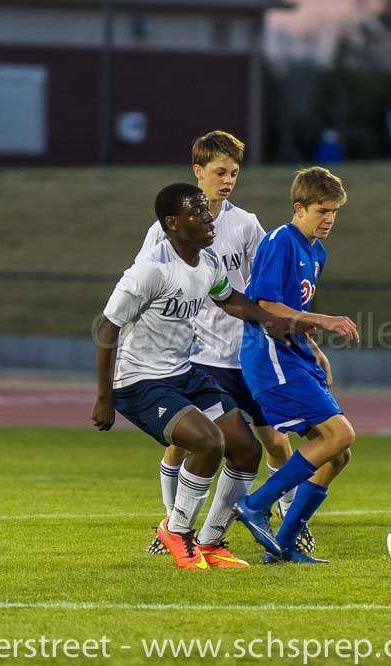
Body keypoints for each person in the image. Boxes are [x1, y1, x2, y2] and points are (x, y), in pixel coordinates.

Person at [91, 183, 306, 571]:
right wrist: (105, 398)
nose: (209, 219)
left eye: (207, 211)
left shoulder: (207, 263)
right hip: (140, 381)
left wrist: (270, 320)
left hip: (184, 373)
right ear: (173, 223)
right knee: (208, 443)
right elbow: (107, 330)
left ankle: (210, 542)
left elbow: (229, 299)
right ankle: (177, 531)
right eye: (198, 213)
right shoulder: (149, 271)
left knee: (247, 449)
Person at [137, 131, 315, 557]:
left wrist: (287, 325)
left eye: (234, 172)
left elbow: (268, 283)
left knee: (275, 441)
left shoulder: (246, 225)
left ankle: (291, 525)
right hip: (197, 355)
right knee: (184, 443)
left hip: (248, 355)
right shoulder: (165, 230)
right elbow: (144, 282)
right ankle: (173, 528)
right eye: (220, 171)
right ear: (198, 172)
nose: (228, 179)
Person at [234, 167, 360, 565]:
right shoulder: (280, 242)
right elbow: (267, 305)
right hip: (269, 356)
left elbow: (296, 311)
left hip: (294, 355)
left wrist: (314, 349)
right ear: (299, 207)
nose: (330, 219)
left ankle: (284, 545)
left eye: (335, 211)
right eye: (323, 210)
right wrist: (323, 322)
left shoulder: (315, 251)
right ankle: (255, 506)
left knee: (338, 455)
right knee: (339, 435)